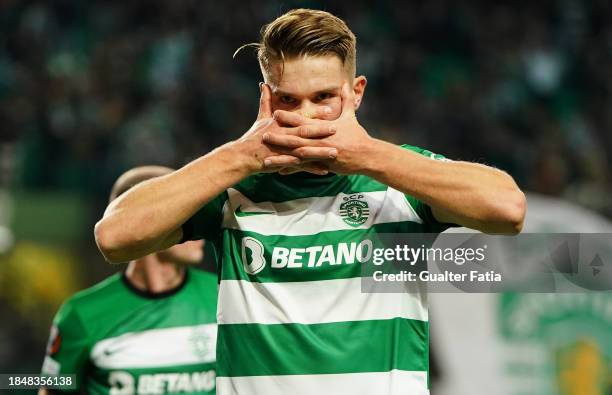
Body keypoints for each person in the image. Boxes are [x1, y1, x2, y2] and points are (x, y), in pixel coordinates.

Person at [94, 9, 526, 395]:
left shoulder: (400, 180)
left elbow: (508, 210)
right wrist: (240, 155)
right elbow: (115, 236)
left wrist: (369, 155)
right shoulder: (232, 187)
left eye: (323, 99)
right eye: (288, 100)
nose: (305, 117)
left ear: (355, 92)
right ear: (266, 98)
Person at [41, 166, 218, 395]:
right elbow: (51, 387)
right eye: (184, 212)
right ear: (144, 221)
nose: (200, 226)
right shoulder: (81, 314)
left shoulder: (224, 294)